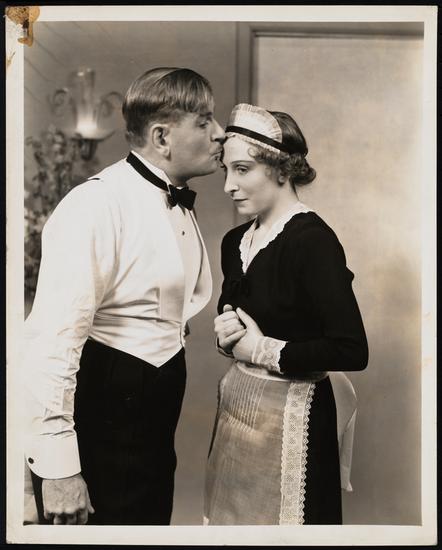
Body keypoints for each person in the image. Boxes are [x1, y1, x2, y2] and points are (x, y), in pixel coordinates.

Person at [23, 67, 225, 525]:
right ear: (161, 137)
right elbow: (52, 343)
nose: (219, 134)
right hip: (102, 424)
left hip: (152, 434)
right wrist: (59, 470)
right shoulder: (95, 204)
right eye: (204, 122)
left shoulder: (174, 200)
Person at [204, 103, 368, 525]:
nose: (229, 185)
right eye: (226, 170)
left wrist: (261, 350)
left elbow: (351, 349)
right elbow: (236, 313)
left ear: (281, 168)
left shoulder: (312, 240)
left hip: (297, 418)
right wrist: (226, 332)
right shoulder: (234, 241)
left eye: (242, 170)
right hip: (237, 414)